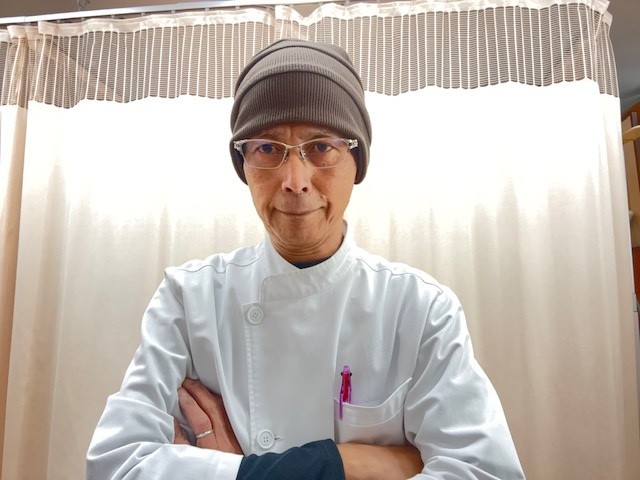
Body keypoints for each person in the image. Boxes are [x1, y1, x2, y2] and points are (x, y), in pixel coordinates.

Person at [86, 39, 525, 479]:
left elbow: (485, 471)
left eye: (320, 146)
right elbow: (116, 465)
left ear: (357, 161)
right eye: (267, 148)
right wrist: (340, 464)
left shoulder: (420, 309)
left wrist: (232, 470)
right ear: (244, 165)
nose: (294, 181)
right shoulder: (189, 299)